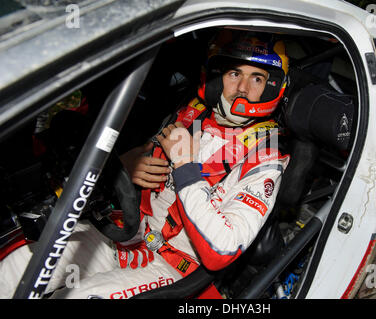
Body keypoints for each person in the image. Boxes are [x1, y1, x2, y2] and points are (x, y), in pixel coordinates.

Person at [0, 29, 290, 299]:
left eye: (257, 78)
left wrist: (187, 167)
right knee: (16, 262)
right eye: (233, 72)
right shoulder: (194, 112)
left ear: (271, 86)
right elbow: (142, 159)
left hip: (172, 266)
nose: (241, 88)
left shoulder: (267, 156)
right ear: (216, 75)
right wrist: (124, 168)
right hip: (126, 234)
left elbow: (221, 249)